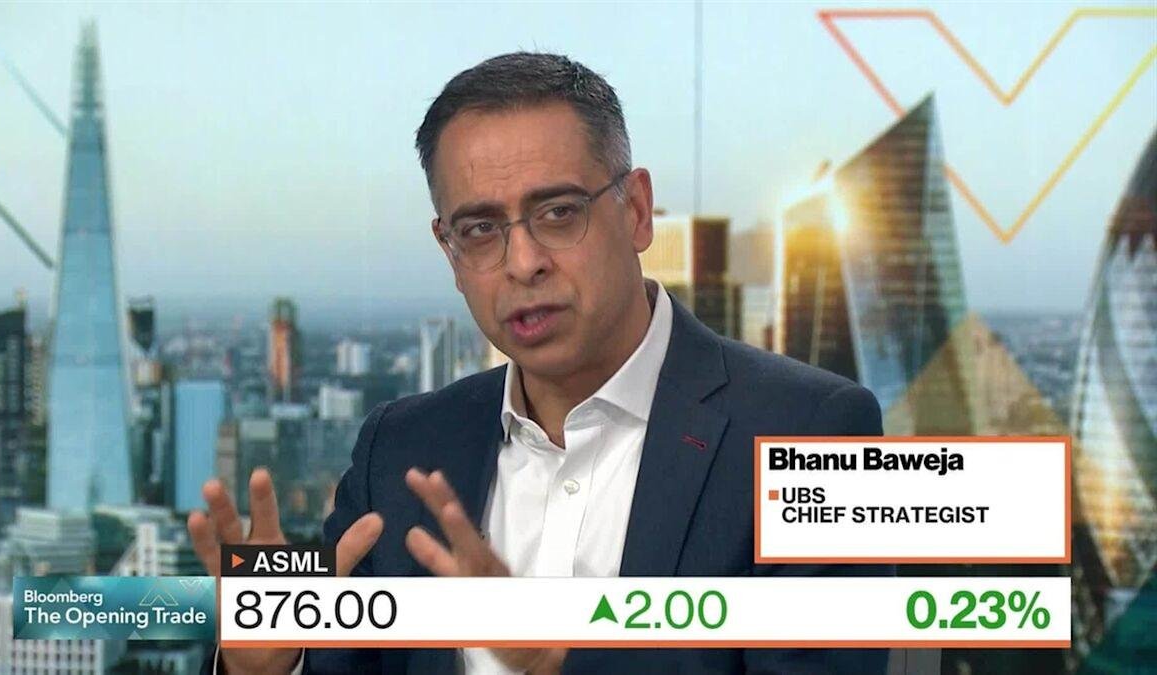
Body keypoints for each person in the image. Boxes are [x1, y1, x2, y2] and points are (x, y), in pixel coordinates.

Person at [191, 51, 891, 675]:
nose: (523, 262)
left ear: (637, 210)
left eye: (558, 213)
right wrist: (263, 668)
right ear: (449, 251)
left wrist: (561, 661)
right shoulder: (398, 449)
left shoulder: (818, 430)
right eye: (480, 229)